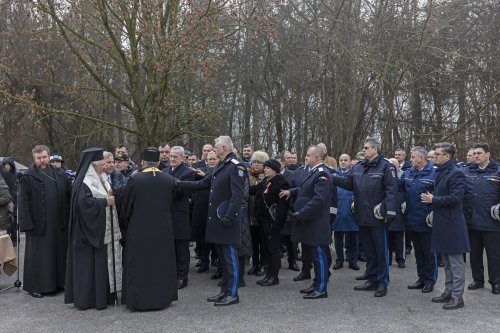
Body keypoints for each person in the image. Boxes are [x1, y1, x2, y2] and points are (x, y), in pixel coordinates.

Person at [177, 136, 246, 306]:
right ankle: (224, 291)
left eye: (216, 146)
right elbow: (204, 183)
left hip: (227, 221)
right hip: (218, 220)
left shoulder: (236, 167)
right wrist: (178, 183)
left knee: (230, 258)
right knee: (223, 258)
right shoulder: (221, 166)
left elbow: (238, 196)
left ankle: (232, 293)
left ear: (223, 147)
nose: (214, 148)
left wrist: (229, 217)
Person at [332, 137, 398, 298]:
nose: (364, 150)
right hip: (362, 215)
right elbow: (349, 184)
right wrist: (332, 177)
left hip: (377, 215)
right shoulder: (359, 167)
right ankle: (371, 278)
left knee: (380, 250)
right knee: (369, 250)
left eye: (367, 148)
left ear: (375, 149)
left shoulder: (386, 167)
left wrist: (389, 212)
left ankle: (382, 282)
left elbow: (391, 191)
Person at [119, 148, 178, 310]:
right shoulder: (168, 179)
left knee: (140, 264)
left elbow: (126, 206)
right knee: (161, 263)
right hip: (163, 229)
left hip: (139, 229)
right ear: (158, 162)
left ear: (143, 163)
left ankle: (140, 300)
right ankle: (162, 298)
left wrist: (125, 224)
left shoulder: (135, 180)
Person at [65, 148, 122, 310]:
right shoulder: (83, 183)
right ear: (94, 165)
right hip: (87, 234)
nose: (104, 167)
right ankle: (89, 299)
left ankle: (104, 295)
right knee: (89, 267)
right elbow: (84, 206)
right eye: (102, 164)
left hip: (99, 231)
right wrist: (105, 202)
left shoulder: (101, 178)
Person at [421, 142, 470, 310]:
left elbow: (456, 198)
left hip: (453, 224)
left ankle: (458, 297)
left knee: (456, 264)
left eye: (438, 154)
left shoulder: (456, 174)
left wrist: (433, 199)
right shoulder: (440, 172)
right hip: (443, 223)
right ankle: (448, 292)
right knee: (447, 263)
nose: (434, 157)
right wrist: (432, 197)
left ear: (447, 157)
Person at [18, 145, 70, 298]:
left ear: (49, 157)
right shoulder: (27, 176)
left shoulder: (60, 174)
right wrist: (26, 224)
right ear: (34, 158)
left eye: (44, 157)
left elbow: (68, 195)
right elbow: (23, 202)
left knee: (58, 253)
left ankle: (58, 283)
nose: (42, 160)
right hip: (38, 224)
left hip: (58, 221)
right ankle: (36, 287)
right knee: (38, 256)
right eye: (39, 158)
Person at [281, 146, 332, 299]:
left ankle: (321, 288)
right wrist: (292, 192)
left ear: (317, 158)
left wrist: (301, 214)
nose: (306, 157)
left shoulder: (322, 174)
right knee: (314, 255)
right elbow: (304, 189)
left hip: (316, 222)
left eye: (309, 155)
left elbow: (318, 200)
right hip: (310, 221)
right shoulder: (312, 172)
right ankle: (316, 284)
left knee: (319, 255)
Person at [463, 143, 500, 295]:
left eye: (479, 153)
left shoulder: (497, 171)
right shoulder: (467, 171)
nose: (476, 156)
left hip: (492, 222)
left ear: (488, 154)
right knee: (475, 254)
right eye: (474, 153)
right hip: (472, 221)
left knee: (494, 255)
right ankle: (478, 280)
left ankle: (496, 282)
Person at [402, 146, 437, 294]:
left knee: (429, 253)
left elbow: (440, 194)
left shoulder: (434, 173)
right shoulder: (408, 173)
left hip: (427, 221)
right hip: (412, 219)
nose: (410, 160)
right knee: (419, 254)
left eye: (413, 157)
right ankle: (421, 278)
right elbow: (398, 188)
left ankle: (430, 281)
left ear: (421, 158)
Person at [249, 159, 289, 286]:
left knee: (273, 249)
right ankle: (268, 275)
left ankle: (274, 277)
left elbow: (283, 207)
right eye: (264, 167)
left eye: (268, 168)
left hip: (272, 223)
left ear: (275, 170)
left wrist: (278, 225)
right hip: (262, 221)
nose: (265, 169)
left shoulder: (282, 183)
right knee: (266, 249)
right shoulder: (265, 182)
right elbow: (252, 190)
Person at [164, 146, 196, 289]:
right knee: (169, 247)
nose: (172, 159)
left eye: (175, 157)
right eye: (171, 156)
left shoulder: (188, 173)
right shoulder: (164, 171)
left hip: (180, 214)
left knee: (181, 247)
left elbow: (181, 190)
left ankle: (183, 277)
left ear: (183, 158)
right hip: (165, 214)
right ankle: (171, 274)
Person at [332, 154, 360, 271]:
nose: (343, 162)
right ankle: (339, 260)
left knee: (353, 237)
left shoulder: (355, 174)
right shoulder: (333, 174)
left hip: (351, 209)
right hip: (338, 208)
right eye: (341, 160)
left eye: (345, 160)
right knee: (338, 237)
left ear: (349, 162)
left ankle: (353, 260)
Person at [247, 151, 269, 277]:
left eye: (259, 162)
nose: (255, 165)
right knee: (253, 241)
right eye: (254, 162)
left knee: (263, 241)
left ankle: (263, 264)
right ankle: (255, 264)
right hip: (250, 213)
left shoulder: (266, 177)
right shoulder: (248, 175)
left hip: (262, 214)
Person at [387, 158, 406, 268]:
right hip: (388, 208)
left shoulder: (404, 175)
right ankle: (388, 259)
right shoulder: (385, 175)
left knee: (399, 236)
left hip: (399, 209)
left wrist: (405, 202)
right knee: (387, 236)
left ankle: (400, 259)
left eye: (395, 164)